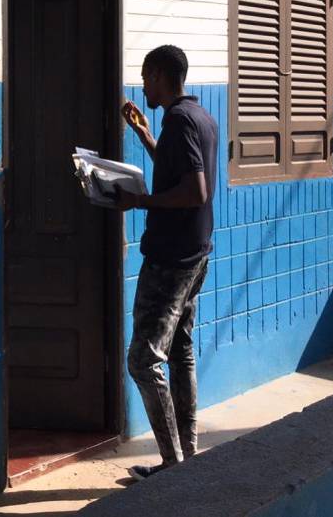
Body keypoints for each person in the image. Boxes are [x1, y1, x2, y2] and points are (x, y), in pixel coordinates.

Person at [115, 45, 218, 481]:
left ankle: (173, 463)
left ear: (160, 74)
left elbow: (195, 191)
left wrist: (140, 201)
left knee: (142, 359)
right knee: (180, 350)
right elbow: (180, 172)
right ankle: (187, 454)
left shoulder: (178, 120)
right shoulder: (202, 117)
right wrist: (144, 137)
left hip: (171, 259)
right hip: (196, 253)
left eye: (145, 76)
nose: (142, 85)